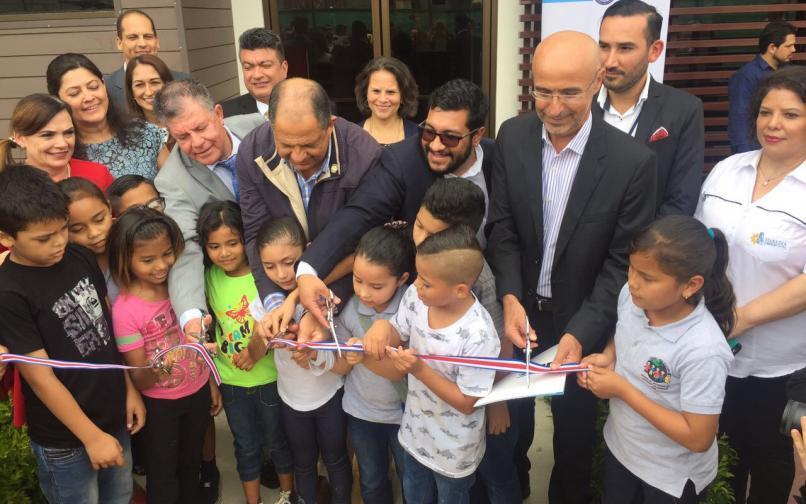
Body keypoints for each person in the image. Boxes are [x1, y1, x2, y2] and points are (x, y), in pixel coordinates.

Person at [486, 31, 657, 503]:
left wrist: (583, 330)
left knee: (575, 440)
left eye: (569, 92)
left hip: (585, 321)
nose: (554, 107)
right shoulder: (513, 135)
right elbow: (503, 228)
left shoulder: (632, 163)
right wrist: (510, 297)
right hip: (520, 312)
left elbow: (623, 262)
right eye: (543, 91)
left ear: (598, 82)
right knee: (511, 427)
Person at [294, 78, 495, 324]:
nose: (436, 145)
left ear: (477, 136)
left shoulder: (500, 159)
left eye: (450, 138)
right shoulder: (402, 161)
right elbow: (360, 212)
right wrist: (308, 270)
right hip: (424, 302)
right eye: (428, 131)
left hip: (487, 289)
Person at [0, 165, 145, 504]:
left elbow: (106, 331)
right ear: (6, 238)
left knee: (120, 495)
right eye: (43, 239)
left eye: (63, 230)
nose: (58, 243)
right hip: (65, 439)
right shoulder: (9, 292)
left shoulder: (78, 255)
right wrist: (91, 436)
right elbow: (40, 378)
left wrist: (128, 390)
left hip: (113, 415)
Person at [695, 65, 806, 504]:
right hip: (713, 355)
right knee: (718, 467)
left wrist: (741, 319)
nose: (773, 124)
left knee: (771, 473)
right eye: (766, 112)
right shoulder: (726, 171)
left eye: (791, 114)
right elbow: (698, 246)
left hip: (781, 369)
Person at [152, 79, 263, 501]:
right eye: (182, 136)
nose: (195, 142)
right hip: (235, 286)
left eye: (201, 128)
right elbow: (184, 249)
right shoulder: (174, 179)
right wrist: (191, 315)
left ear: (218, 113)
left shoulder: (261, 128)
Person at [578, 215, 735, 503]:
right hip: (623, 451)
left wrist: (622, 389)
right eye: (632, 269)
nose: (633, 283)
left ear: (691, 285)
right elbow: (624, 329)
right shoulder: (634, 298)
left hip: (670, 478)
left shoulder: (703, 349)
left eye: (647, 278)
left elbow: (698, 438)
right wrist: (610, 356)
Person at [363, 225, 500, 503]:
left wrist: (419, 370)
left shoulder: (480, 335)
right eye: (418, 276)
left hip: (454, 451)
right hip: (414, 434)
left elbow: (467, 401)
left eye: (426, 282)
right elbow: (397, 329)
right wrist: (380, 329)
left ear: (460, 290)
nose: (416, 286)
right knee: (414, 493)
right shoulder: (417, 297)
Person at [412, 178, 520, 504]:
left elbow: (502, 343)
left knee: (496, 471)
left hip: (482, 397)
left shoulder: (479, 278)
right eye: (418, 224)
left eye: (432, 235)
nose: (419, 238)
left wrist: (497, 404)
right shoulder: (426, 259)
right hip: (440, 405)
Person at [237, 77, 381, 319]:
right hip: (284, 291)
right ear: (271, 125)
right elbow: (256, 234)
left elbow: (368, 244)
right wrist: (275, 305)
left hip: (349, 294)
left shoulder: (364, 156)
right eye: (286, 145)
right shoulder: (252, 152)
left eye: (308, 144)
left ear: (330, 125)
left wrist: (321, 306)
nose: (298, 156)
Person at [108, 207, 219, 504]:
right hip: (160, 406)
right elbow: (140, 378)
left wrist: (209, 382)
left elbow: (199, 349)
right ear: (124, 258)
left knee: (191, 462)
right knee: (163, 472)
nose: (161, 266)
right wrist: (169, 359)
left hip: (196, 394)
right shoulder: (125, 311)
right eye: (147, 259)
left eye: (168, 254)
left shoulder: (181, 290)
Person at [197, 200, 297, 504]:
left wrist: (258, 348)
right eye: (214, 246)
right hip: (231, 382)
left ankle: (287, 495)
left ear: (246, 241)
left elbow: (277, 322)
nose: (224, 252)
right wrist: (213, 379)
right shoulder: (209, 277)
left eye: (232, 243)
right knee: (246, 446)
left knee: (278, 443)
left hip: (271, 378)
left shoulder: (264, 277)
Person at [250, 216, 353, 504]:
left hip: (330, 396)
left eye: (290, 262)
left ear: (307, 252)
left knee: (335, 459)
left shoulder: (322, 295)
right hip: (291, 400)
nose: (282, 274)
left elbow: (343, 354)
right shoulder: (263, 302)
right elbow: (254, 352)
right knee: (303, 462)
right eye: (269, 266)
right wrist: (262, 336)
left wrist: (313, 352)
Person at [596, 0, 704, 216]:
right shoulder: (579, 103)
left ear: (654, 50)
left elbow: (681, 199)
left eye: (625, 48)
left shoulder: (684, 110)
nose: (610, 61)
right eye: (604, 46)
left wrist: (645, 249)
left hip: (644, 245)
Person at [336, 223, 414, 504]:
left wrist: (365, 357)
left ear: (402, 279)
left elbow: (407, 367)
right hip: (361, 412)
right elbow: (341, 367)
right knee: (370, 479)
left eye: (376, 285)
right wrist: (345, 358)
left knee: (411, 480)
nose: (365, 292)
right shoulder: (349, 309)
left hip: (405, 414)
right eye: (357, 280)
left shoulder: (411, 309)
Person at [46, 53, 166, 179]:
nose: (89, 97)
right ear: (57, 99)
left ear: (103, 84)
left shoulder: (145, 133)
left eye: (93, 87)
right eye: (75, 93)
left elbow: (177, 188)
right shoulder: (61, 153)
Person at [0, 93, 113, 191]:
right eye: (47, 135)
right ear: (20, 138)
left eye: (68, 133)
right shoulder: (7, 186)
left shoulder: (98, 174)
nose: (62, 144)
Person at [728, 21, 796, 154]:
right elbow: (739, 117)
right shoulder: (747, 75)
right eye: (788, 46)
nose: (793, 49)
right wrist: (745, 156)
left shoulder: (788, 72)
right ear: (772, 48)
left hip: (785, 148)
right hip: (756, 150)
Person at [106, 9, 189, 111]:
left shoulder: (184, 82)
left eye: (148, 36)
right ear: (119, 43)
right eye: (133, 37)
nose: (142, 44)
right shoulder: (107, 89)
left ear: (157, 41)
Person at [58, 177, 119, 302]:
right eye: (77, 229)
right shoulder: (66, 270)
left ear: (109, 207)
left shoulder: (132, 245)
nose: (94, 233)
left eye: (99, 220)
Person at [221, 28, 288, 118]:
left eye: (266, 65)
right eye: (248, 67)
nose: (257, 75)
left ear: (284, 68)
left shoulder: (309, 107)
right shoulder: (225, 115)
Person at [354, 56, 420, 144]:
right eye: (376, 91)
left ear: (403, 96)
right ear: (365, 93)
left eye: (390, 92)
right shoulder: (352, 136)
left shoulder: (419, 136)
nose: (383, 99)